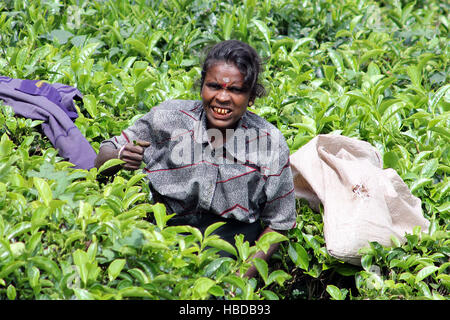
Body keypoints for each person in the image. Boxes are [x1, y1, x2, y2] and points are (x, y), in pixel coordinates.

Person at [95, 40, 296, 278]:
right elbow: (104, 155)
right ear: (202, 86)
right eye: (213, 86)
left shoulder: (268, 141)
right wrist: (120, 156)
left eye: (235, 90)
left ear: (251, 97)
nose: (222, 97)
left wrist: (239, 280)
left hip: (231, 245)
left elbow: (279, 222)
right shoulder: (167, 119)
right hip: (166, 237)